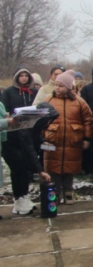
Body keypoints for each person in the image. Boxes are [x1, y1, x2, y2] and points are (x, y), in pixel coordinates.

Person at [43, 70, 93, 204]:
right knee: (54, 168)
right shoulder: (49, 100)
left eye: (61, 85)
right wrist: (43, 136)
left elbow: (88, 120)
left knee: (69, 167)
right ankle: (55, 193)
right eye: (56, 85)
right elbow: (40, 120)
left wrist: (87, 138)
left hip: (73, 141)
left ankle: (68, 191)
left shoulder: (79, 102)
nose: (57, 88)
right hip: (53, 140)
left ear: (69, 87)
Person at [1, 68, 39, 209]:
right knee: (18, 167)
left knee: (25, 167)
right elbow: (5, 113)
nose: (24, 78)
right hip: (11, 136)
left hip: (28, 134)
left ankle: (23, 198)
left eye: (26, 76)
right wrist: (9, 119)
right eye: (21, 76)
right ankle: (20, 197)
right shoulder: (9, 92)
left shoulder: (33, 92)